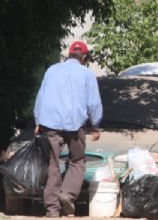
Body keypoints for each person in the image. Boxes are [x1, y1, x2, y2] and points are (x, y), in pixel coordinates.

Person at [33, 41, 103, 217]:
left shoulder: (52, 70)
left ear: (69, 55)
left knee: (53, 165)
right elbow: (93, 103)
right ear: (84, 57)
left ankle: (52, 209)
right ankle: (67, 194)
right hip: (75, 124)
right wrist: (95, 125)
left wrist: (38, 121)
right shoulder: (87, 74)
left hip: (50, 124)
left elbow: (41, 96)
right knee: (78, 160)